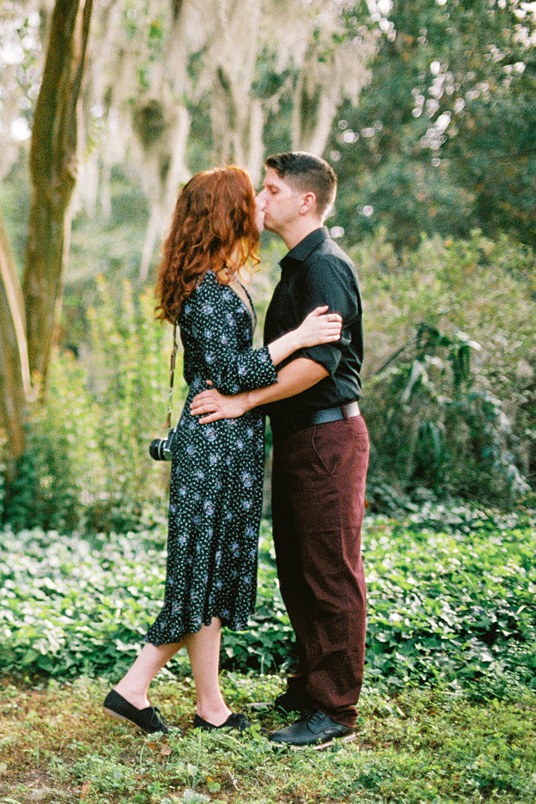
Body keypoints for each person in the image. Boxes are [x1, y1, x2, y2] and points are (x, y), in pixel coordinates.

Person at [103, 165, 343, 734]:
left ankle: (210, 706)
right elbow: (231, 375)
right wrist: (296, 339)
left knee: (209, 573)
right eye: (252, 196)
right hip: (212, 445)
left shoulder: (223, 276)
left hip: (230, 444)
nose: (262, 202)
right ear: (228, 212)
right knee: (198, 574)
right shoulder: (208, 290)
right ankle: (133, 687)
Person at [189, 151, 368, 748]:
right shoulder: (297, 268)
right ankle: (307, 687)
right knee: (298, 570)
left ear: (305, 201)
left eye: (269, 191)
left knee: (330, 573)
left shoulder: (324, 269)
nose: (258, 201)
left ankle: (334, 711)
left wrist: (242, 403)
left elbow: (320, 364)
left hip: (327, 435)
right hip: (298, 437)